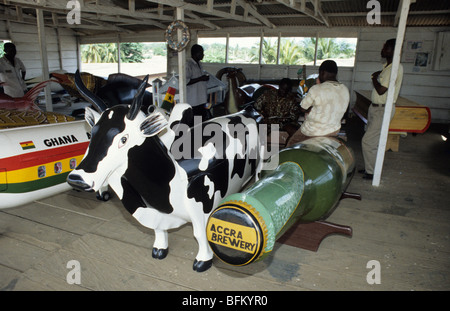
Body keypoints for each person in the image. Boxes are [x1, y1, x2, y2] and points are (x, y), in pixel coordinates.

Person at [360, 39, 403, 180]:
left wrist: (374, 78)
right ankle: (370, 168)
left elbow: (380, 90)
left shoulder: (395, 68)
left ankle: (372, 173)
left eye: (386, 48)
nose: (383, 50)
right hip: (376, 108)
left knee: (368, 141)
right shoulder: (387, 67)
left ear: (394, 51)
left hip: (382, 110)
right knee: (372, 140)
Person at [286, 60, 349, 147]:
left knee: (290, 145)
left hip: (312, 131)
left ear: (322, 72)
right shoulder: (345, 89)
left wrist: (310, 107)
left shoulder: (317, 89)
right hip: (333, 131)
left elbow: (302, 108)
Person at [186, 44, 211, 120]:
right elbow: (186, 81)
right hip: (194, 101)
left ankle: (200, 131)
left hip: (201, 99)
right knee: (195, 121)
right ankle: (196, 132)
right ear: (195, 53)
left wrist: (204, 78)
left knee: (202, 119)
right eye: (201, 53)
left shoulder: (199, 64)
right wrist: (201, 78)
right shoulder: (188, 64)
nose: (203, 55)